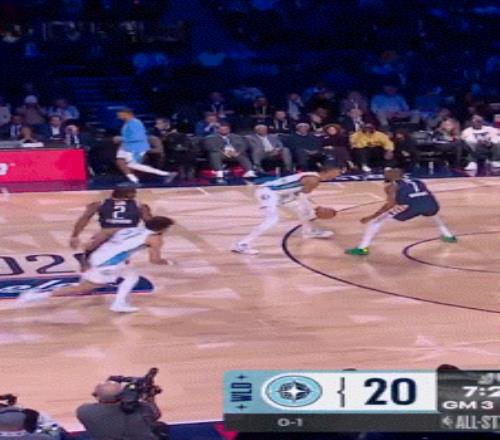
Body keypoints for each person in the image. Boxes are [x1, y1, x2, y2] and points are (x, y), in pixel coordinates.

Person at [18, 216, 174, 313]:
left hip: (98, 256)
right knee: (84, 288)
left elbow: (107, 238)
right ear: (162, 229)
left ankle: (119, 302)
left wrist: (87, 257)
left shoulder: (131, 229)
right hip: (107, 264)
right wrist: (169, 262)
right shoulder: (155, 238)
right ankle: (36, 296)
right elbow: (154, 260)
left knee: (131, 276)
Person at [232, 165, 342, 255]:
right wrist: (317, 208)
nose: (338, 175)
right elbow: (303, 197)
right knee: (272, 219)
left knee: (302, 210)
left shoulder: (313, 177)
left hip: (283, 195)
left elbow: (298, 195)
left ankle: (309, 232)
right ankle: (242, 244)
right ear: (329, 171)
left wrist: (313, 209)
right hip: (268, 192)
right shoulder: (313, 179)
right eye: (337, 172)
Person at [345, 168, 456, 256]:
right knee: (433, 215)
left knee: (375, 222)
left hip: (412, 207)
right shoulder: (417, 181)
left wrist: (371, 216)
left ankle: (362, 248)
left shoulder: (392, 187)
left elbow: (390, 205)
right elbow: (426, 195)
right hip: (432, 205)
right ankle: (449, 236)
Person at [69, 187, 153, 259]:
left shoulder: (99, 203)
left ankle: (86, 261)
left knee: (90, 250)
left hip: (106, 232)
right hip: (128, 233)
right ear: (129, 194)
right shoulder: (140, 205)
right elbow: (150, 222)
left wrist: (75, 235)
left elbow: (84, 218)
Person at [76, 381, 164, 440]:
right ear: (123, 395)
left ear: (96, 396)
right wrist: (150, 398)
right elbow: (156, 415)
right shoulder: (141, 409)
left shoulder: (84, 411)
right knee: (160, 426)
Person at [115, 109, 177, 185]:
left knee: (131, 164)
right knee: (120, 161)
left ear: (128, 114)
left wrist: (121, 138)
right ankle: (133, 180)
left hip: (136, 147)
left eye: (120, 114)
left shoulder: (135, 124)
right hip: (128, 146)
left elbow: (138, 137)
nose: (118, 116)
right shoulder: (127, 123)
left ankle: (166, 174)